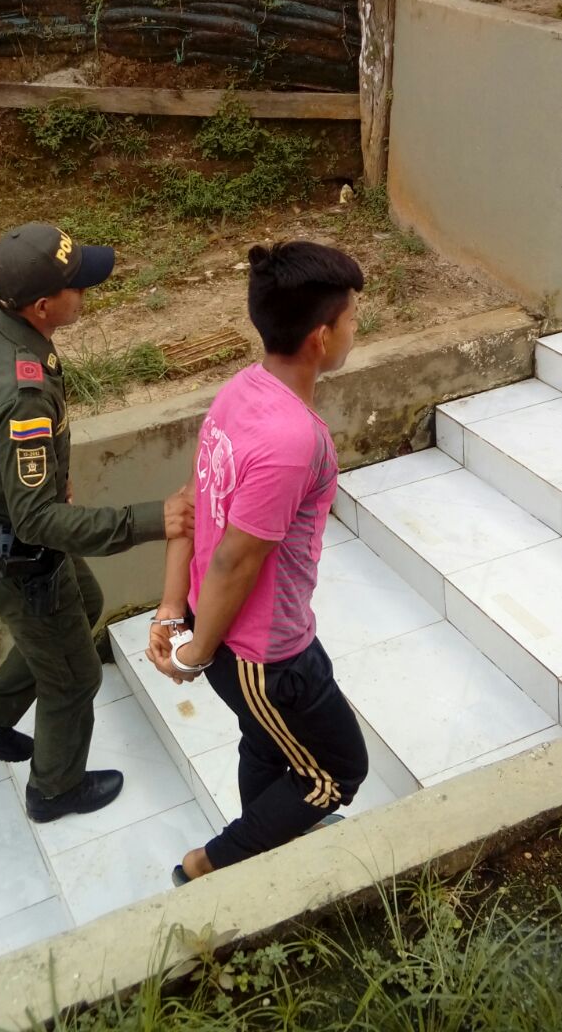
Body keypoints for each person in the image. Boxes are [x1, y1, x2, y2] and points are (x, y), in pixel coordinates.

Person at [0, 222, 193, 823]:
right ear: (42, 305)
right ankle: (54, 791)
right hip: (16, 555)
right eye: (76, 285)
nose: (87, 291)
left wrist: (47, 478)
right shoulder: (22, 391)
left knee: (84, 603)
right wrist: (151, 519)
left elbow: (12, 458)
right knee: (75, 679)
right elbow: (36, 521)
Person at [147, 240, 369, 881]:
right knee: (335, 771)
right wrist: (193, 652)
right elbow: (235, 564)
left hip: (224, 636)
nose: (356, 326)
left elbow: (188, 504)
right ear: (321, 338)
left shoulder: (240, 392)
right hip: (266, 657)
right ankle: (208, 866)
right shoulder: (296, 439)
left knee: (267, 744)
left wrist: (171, 611)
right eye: (352, 318)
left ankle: (268, 844)